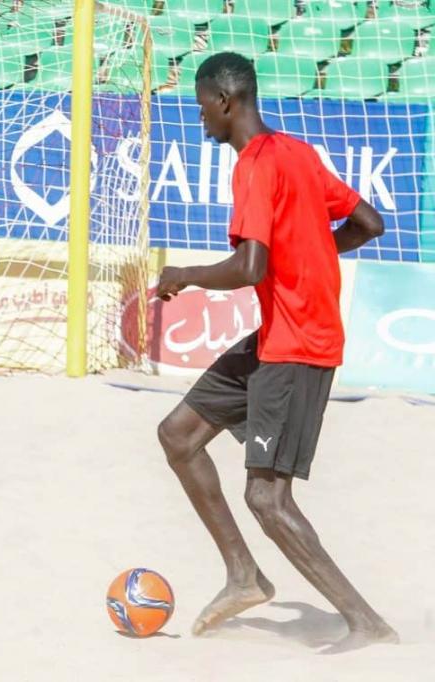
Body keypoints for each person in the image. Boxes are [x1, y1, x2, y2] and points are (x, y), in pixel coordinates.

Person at [155, 52, 398, 653]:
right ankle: (244, 576)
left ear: (224, 101)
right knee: (178, 434)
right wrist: (309, 253)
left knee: (266, 496)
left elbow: (248, 266)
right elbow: (369, 222)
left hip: (300, 345)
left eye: (201, 105)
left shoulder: (256, 165)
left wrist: (183, 273)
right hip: (277, 334)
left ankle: (366, 622)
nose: (200, 117)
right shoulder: (297, 151)